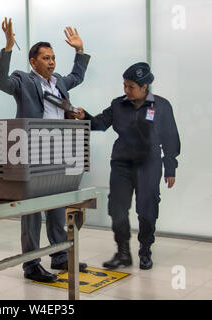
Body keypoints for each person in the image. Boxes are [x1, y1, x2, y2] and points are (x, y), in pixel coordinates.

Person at [0, 17, 91, 282]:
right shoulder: (22, 80)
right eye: (46, 58)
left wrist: (79, 51)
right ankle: (31, 264)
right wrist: (8, 47)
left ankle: (59, 256)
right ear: (33, 62)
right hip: (33, 151)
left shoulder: (58, 81)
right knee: (33, 210)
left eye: (53, 58)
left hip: (58, 149)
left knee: (57, 205)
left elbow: (77, 76)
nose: (51, 62)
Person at [73, 62, 180, 270]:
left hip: (149, 163)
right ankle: (123, 253)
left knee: (147, 210)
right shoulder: (118, 104)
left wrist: (170, 167)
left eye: (130, 87)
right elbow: (100, 123)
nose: (126, 90)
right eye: (124, 85)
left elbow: (170, 137)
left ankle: (145, 251)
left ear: (144, 87)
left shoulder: (161, 106)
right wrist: (84, 116)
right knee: (117, 208)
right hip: (122, 163)